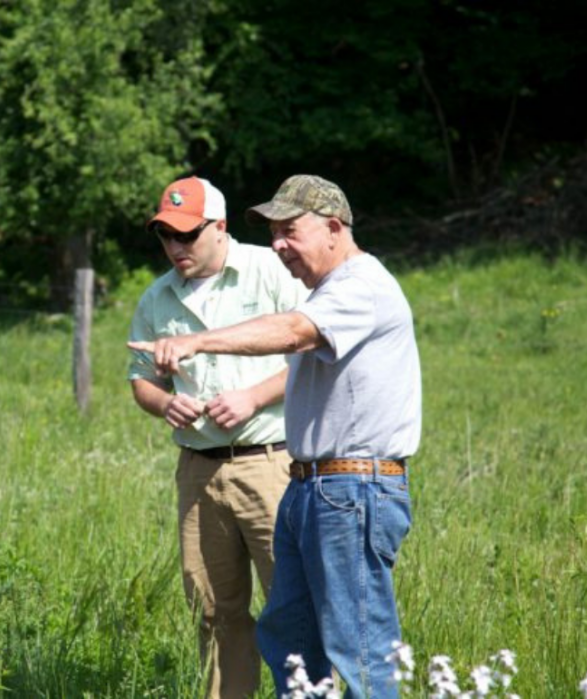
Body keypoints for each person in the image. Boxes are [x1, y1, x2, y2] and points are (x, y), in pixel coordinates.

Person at [128, 175, 421, 699]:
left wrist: (197, 343)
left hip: (351, 487)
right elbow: (141, 382)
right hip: (309, 486)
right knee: (291, 637)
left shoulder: (361, 285)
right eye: (273, 233)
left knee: (358, 648)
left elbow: (290, 332)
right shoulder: (324, 288)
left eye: (290, 231)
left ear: (333, 228)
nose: (279, 244)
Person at [127, 176, 307, 699]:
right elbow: (141, 381)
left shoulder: (270, 269)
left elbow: (313, 355)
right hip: (199, 470)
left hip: (272, 464)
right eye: (166, 236)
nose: (175, 247)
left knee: (291, 605)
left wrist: (253, 397)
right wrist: (166, 403)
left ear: (221, 227)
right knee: (212, 608)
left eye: (188, 234)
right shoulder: (157, 297)